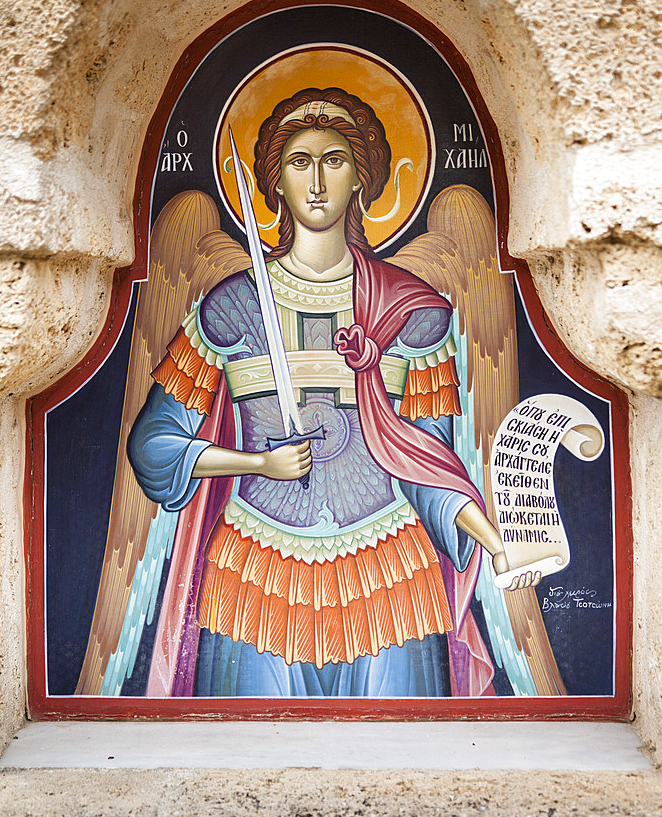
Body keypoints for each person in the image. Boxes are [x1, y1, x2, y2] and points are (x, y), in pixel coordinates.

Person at [129, 87, 518, 698]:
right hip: (256, 574)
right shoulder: (232, 307)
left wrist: (497, 545)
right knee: (244, 765)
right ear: (275, 182)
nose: (316, 182)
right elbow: (153, 445)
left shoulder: (412, 313)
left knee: (405, 766)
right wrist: (256, 463)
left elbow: (431, 468)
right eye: (299, 162)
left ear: (362, 178)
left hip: (388, 573)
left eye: (334, 160)